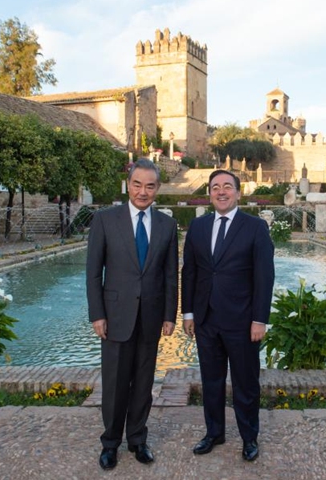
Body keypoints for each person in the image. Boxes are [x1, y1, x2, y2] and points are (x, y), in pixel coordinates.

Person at [85, 159, 178, 470]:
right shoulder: (105, 220)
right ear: (128, 184)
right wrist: (97, 315)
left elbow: (169, 275)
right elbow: (92, 273)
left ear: (157, 189)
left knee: (143, 383)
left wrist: (170, 315)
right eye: (137, 184)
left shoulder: (167, 225)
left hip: (151, 318)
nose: (143, 191)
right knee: (114, 384)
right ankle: (110, 443)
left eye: (150, 186)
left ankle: (137, 439)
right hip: (114, 317)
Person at [181, 169, 275, 462]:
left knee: (246, 383)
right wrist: (188, 313)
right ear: (209, 193)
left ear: (238, 192)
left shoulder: (255, 228)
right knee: (211, 381)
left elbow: (264, 277)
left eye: (227, 187)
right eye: (215, 187)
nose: (221, 192)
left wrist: (260, 319)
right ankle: (214, 433)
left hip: (243, 322)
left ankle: (249, 438)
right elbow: (191, 272)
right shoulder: (197, 227)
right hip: (207, 320)